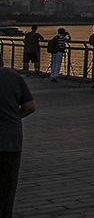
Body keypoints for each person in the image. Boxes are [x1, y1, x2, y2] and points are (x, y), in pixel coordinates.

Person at [0, 53, 35, 218]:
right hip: (11, 142)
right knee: (6, 193)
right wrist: (13, 117)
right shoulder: (14, 76)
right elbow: (30, 106)